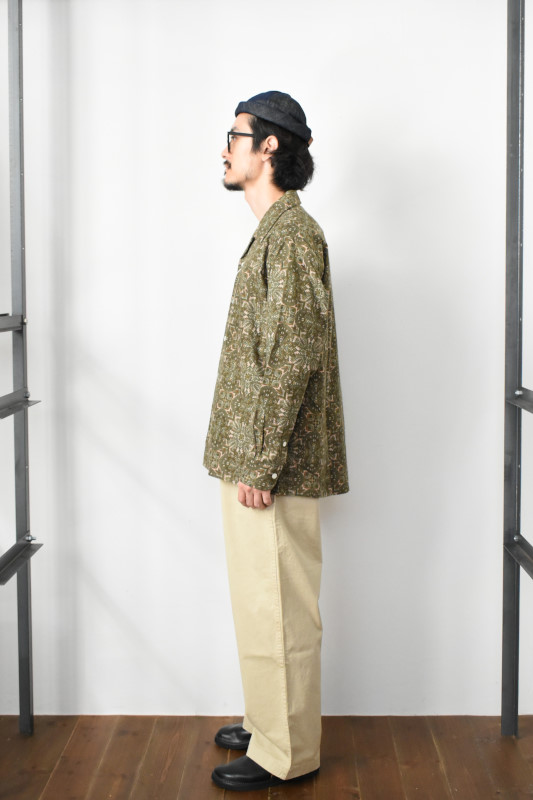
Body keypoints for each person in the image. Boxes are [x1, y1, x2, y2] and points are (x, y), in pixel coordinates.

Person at [204, 90, 349, 792]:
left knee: (279, 606)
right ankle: (267, 720)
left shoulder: (291, 236)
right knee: (261, 600)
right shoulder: (276, 233)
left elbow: (291, 357)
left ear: (268, 147)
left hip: (272, 464)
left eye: (234, 136)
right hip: (255, 455)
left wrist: (260, 462)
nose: (223, 148)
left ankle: (286, 751)